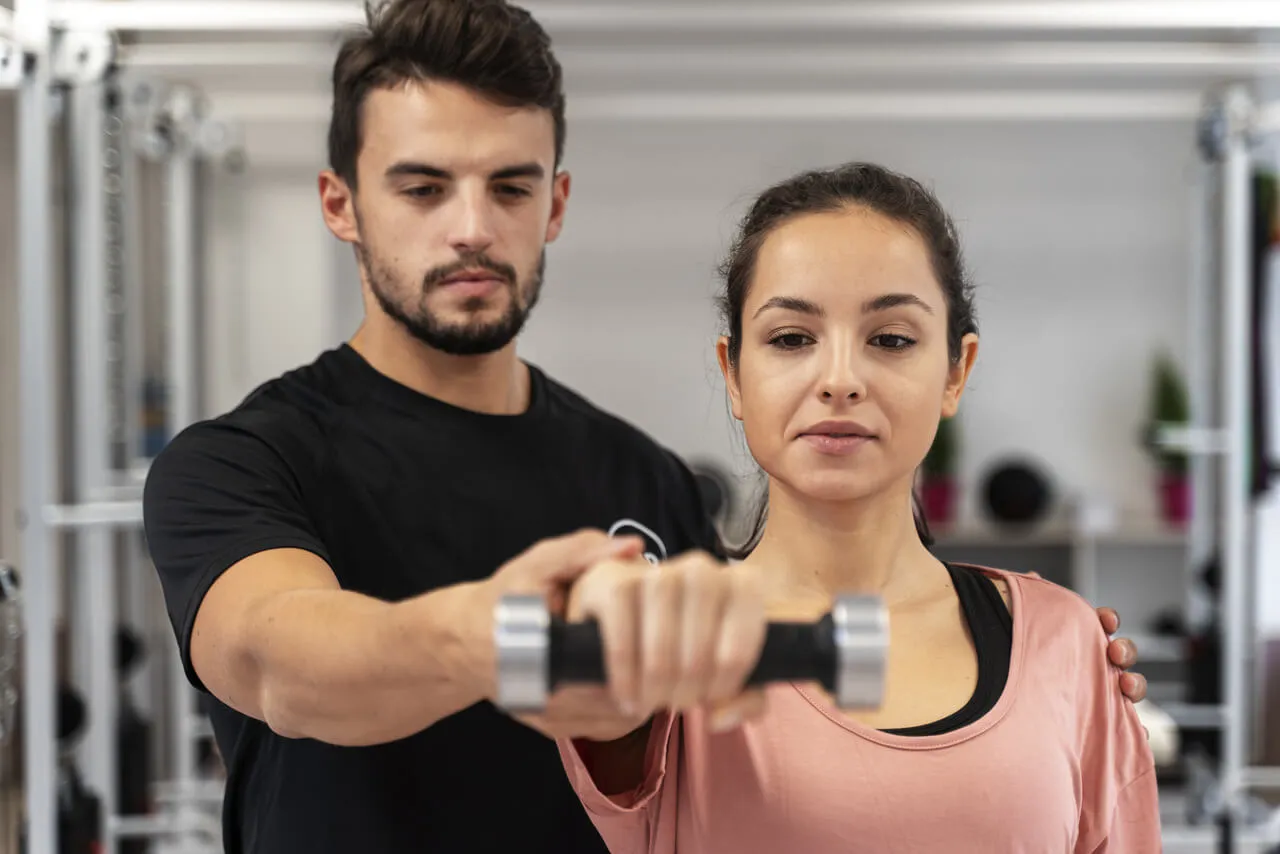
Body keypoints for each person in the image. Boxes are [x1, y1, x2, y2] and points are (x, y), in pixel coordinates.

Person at [140, 1, 1151, 852]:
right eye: (421, 186)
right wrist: (498, 636)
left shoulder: (644, 479)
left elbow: (770, 706)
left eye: (509, 185)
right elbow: (282, 663)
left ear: (557, 203)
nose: (470, 227)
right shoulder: (240, 463)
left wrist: (1041, 662)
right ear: (339, 203)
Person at [555, 162, 1163, 852]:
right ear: (734, 374)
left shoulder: (1066, 643)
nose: (839, 379)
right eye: (791, 339)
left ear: (955, 372)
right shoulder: (667, 641)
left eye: (891, 339)